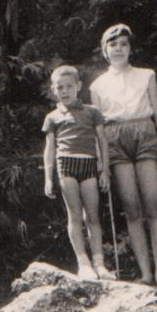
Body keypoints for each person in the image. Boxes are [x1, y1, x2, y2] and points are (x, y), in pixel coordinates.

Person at [90, 23, 157, 287]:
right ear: (105, 50)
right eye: (113, 45)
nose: (118, 49)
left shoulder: (146, 75)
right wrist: (102, 163)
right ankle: (146, 274)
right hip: (115, 140)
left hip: (145, 134)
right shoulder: (97, 85)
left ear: (130, 49)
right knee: (132, 208)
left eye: (124, 44)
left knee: (153, 204)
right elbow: (97, 128)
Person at [43, 65, 115, 280]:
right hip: (66, 165)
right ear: (54, 90)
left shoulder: (92, 112)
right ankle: (83, 264)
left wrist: (105, 171)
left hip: (89, 165)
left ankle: (99, 264)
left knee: (92, 215)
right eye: (60, 87)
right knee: (74, 215)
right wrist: (48, 178)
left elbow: (102, 142)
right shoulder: (52, 117)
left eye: (69, 86)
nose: (65, 91)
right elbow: (49, 149)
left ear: (79, 86)